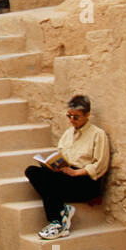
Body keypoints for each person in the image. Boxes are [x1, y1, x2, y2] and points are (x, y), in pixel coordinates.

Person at [24, 95, 110, 240]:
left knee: (49, 184)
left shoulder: (98, 134)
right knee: (32, 171)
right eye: (69, 116)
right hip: (66, 175)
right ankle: (62, 212)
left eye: (76, 117)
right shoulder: (67, 134)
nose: (71, 120)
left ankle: (58, 222)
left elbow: (100, 165)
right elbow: (61, 156)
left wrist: (77, 173)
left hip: (85, 181)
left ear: (87, 115)